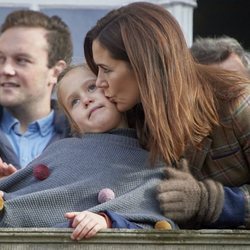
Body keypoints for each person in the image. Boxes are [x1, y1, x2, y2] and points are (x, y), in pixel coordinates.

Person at [83, 2, 250, 229]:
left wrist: (212, 202)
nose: (99, 82)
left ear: (144, 65)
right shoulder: (131, 118)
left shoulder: (238, 103)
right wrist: (25, 179)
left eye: (107, 69)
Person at [0, 64, 176, 240]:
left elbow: (157, 224)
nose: (86, 100)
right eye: (74, 101)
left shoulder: (151, 161)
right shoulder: (62, 150)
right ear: (75, 124)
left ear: (111, 89)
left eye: (92, 87)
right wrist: (10, 184)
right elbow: (26, 199)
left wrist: (108, 220)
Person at [0, 9, 73, 175]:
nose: (6, 69)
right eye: (0, 58)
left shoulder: (85, 137)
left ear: (55, 72)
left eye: (22, 60)